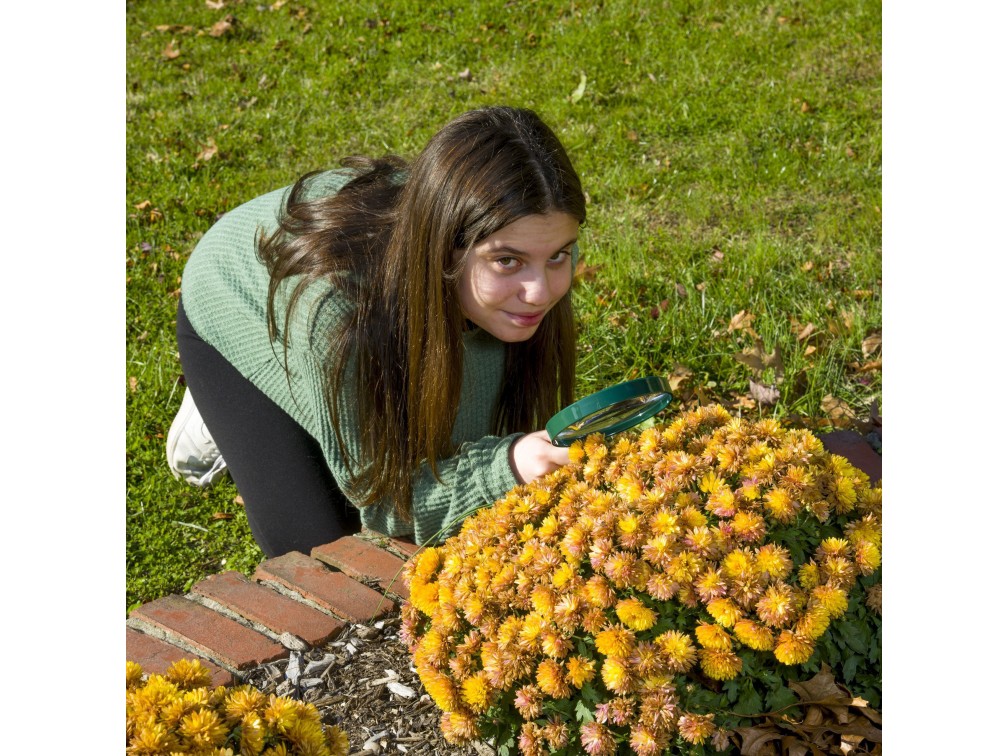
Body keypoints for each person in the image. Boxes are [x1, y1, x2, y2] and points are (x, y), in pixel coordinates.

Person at [167, 106, 584, 557]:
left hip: (378, 314)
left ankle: (334, 406)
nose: (540, 292)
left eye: (559, 256)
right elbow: (386, 503)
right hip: (240, 306)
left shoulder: (533, 244)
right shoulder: (338, 315)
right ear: (443, 246)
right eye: (507, 261)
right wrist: (507, 468)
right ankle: (245, 407)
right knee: (326, 557)